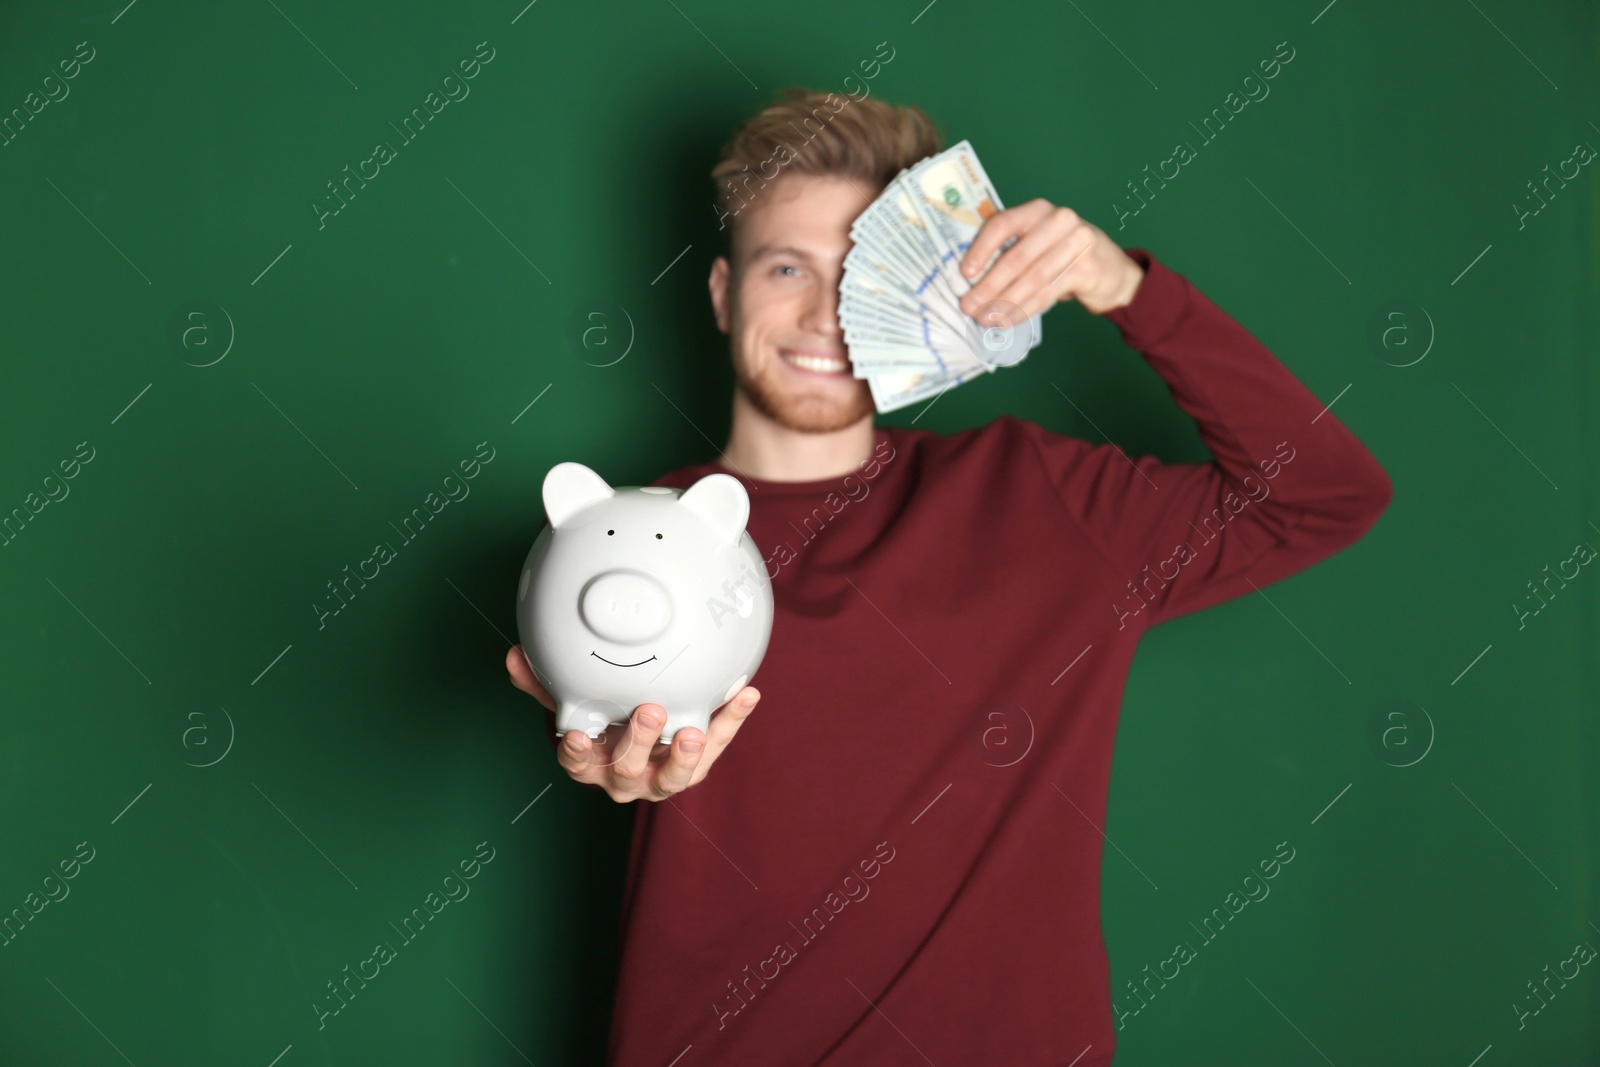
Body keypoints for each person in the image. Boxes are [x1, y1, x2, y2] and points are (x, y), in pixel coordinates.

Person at [505, 87, 1391, 1066]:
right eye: (788, 266)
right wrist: (606, 754)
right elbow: (602, 735)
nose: (823, 312)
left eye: (860, 273)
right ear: (721, 293)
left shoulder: (1044, 501)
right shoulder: (620, 546)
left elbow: (1324, 494)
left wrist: (1125, 288)